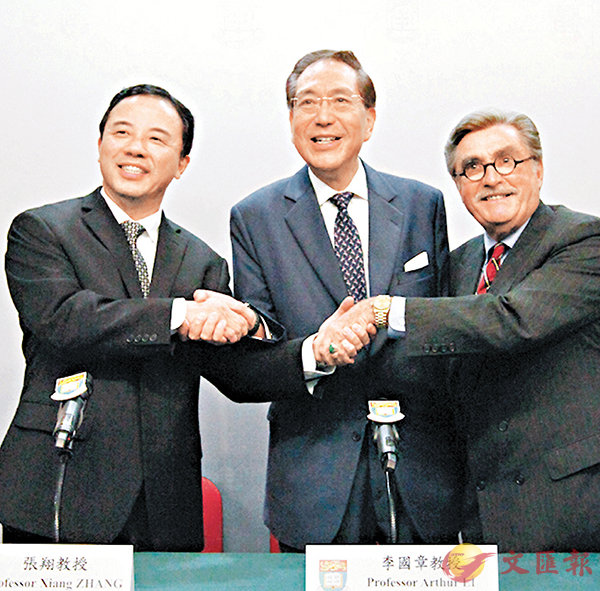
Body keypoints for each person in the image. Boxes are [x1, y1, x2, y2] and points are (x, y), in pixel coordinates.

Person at [0, 84, 349, 551]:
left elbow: (234, 371)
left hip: (163, 503)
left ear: (182, 163)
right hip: (59, 487)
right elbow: (64, 319)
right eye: (122, 133)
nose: (135, 148)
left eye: (156, 138)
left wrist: (314, 352)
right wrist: (180, 315)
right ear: (100, 144)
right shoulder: (43, 230)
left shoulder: (201, 262)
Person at [324, 109, 600, 552]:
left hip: (570, 508)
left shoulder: (583, 240)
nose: (491, 178)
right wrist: (320, 351)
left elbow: (512, 320)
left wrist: (383, 311)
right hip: (482, 512)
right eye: (472, 167)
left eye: (506, 160)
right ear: (458, 185)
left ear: (538, 169)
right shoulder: (459, 263)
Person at [230, 50, 462, 551]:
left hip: (421, 473)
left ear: (369, 119)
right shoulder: (255, 217)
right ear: (291, 119)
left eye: (340, 100)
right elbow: (255, 357)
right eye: (306, 102)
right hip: (314, 477)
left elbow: (442, 325)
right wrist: (314, 352)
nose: (323, 117)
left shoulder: (422, 204)